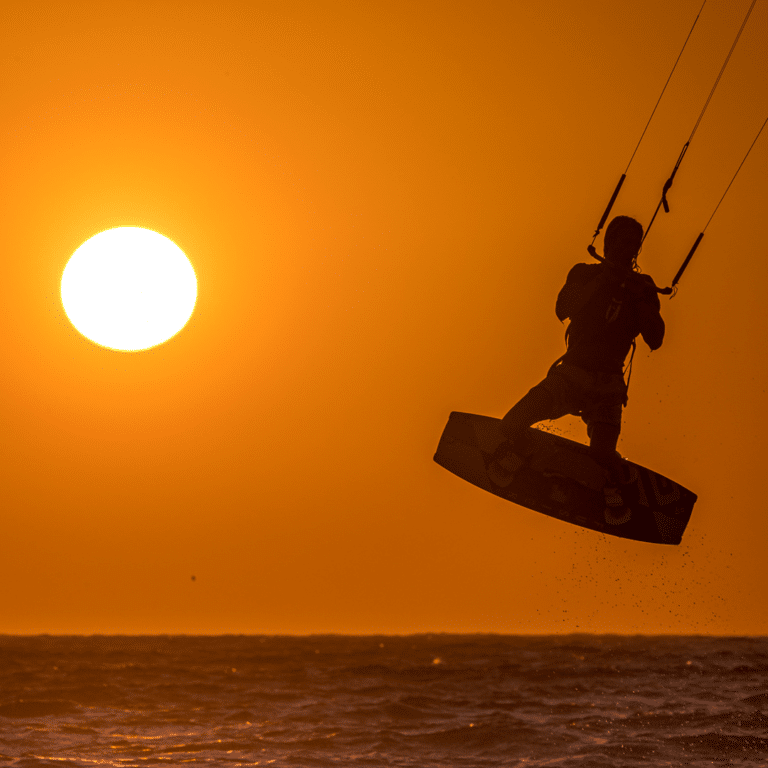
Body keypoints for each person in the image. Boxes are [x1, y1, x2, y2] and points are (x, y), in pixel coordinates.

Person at [494, 215, 665, 506]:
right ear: (609, 243)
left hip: (608, 387)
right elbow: (564, 308)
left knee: (601, 455)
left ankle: (613, 480)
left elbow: (656, 339)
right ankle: (518, 454)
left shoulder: (644, 287)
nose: (628, 250)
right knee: (513, 423)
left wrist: (641, 299)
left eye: (634, 245)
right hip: (572, 375)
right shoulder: (585, 273)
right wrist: (603, 280)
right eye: (622, 242)